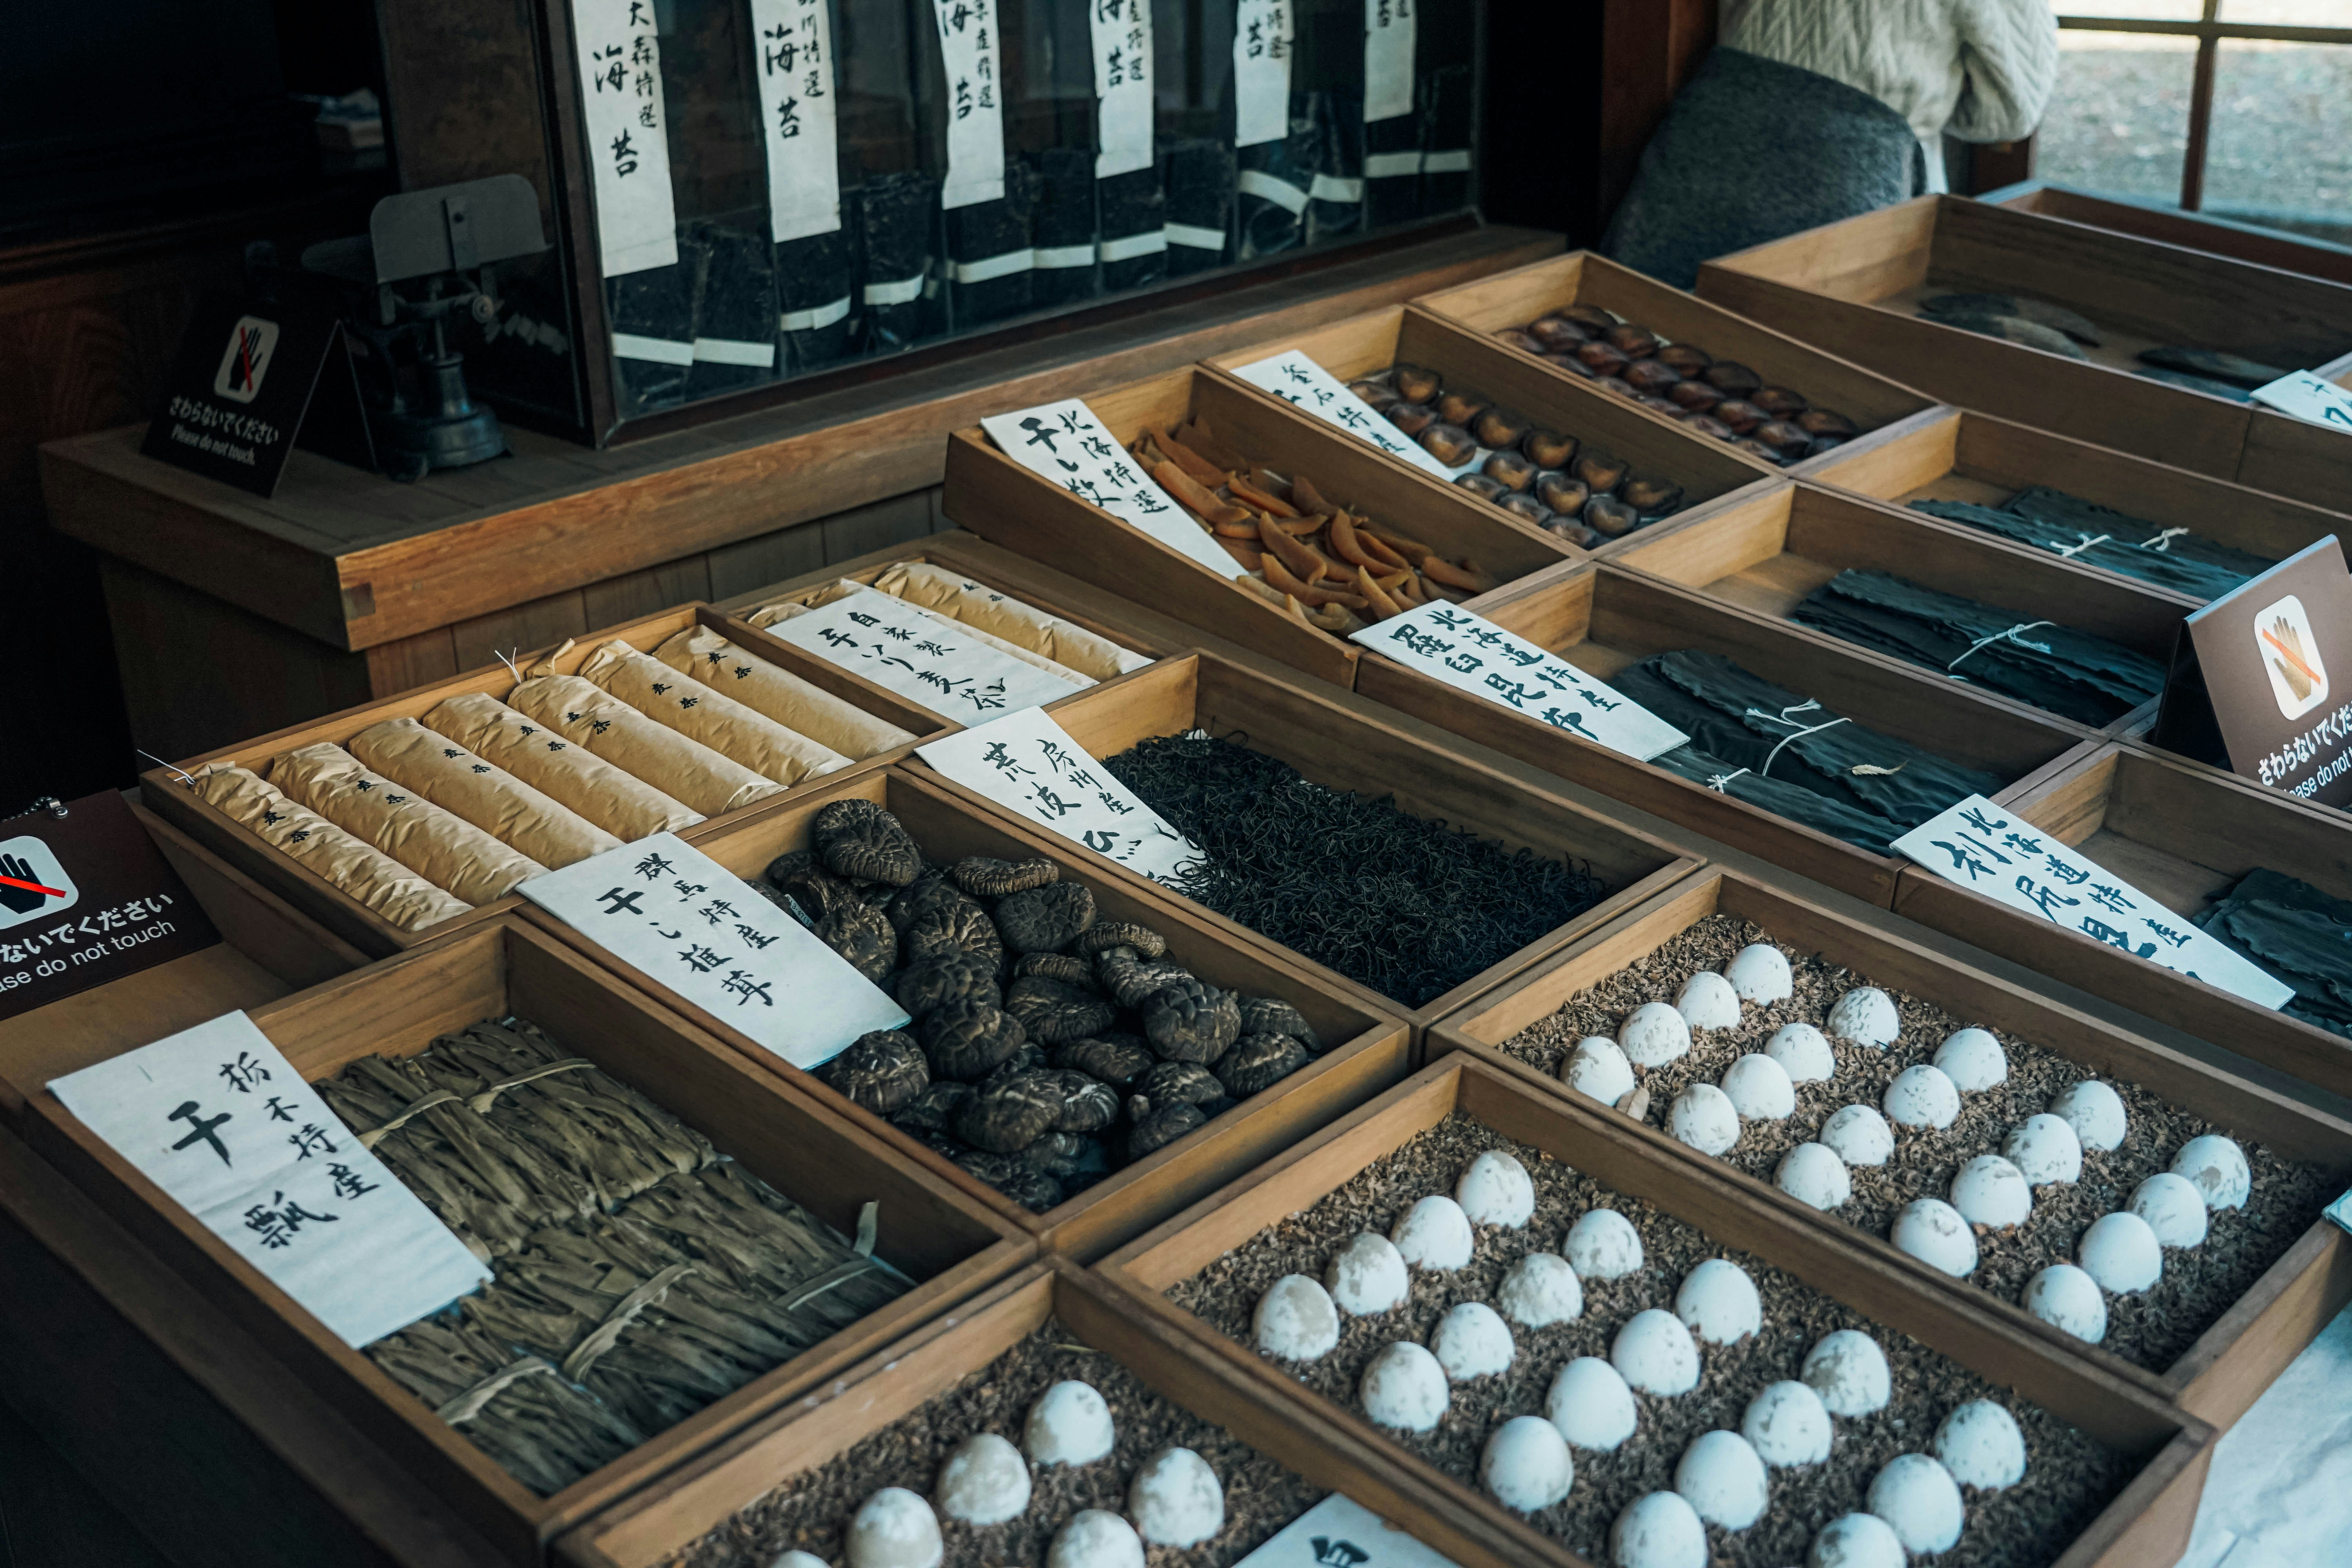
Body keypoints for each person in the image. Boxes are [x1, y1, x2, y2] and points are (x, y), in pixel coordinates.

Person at [1602, 0, 2059, 288]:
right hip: (1853, 167)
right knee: (1804, 388)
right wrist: (1915, 107)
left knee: (1637, 337)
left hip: (1711, 130)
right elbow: (2008, 113)